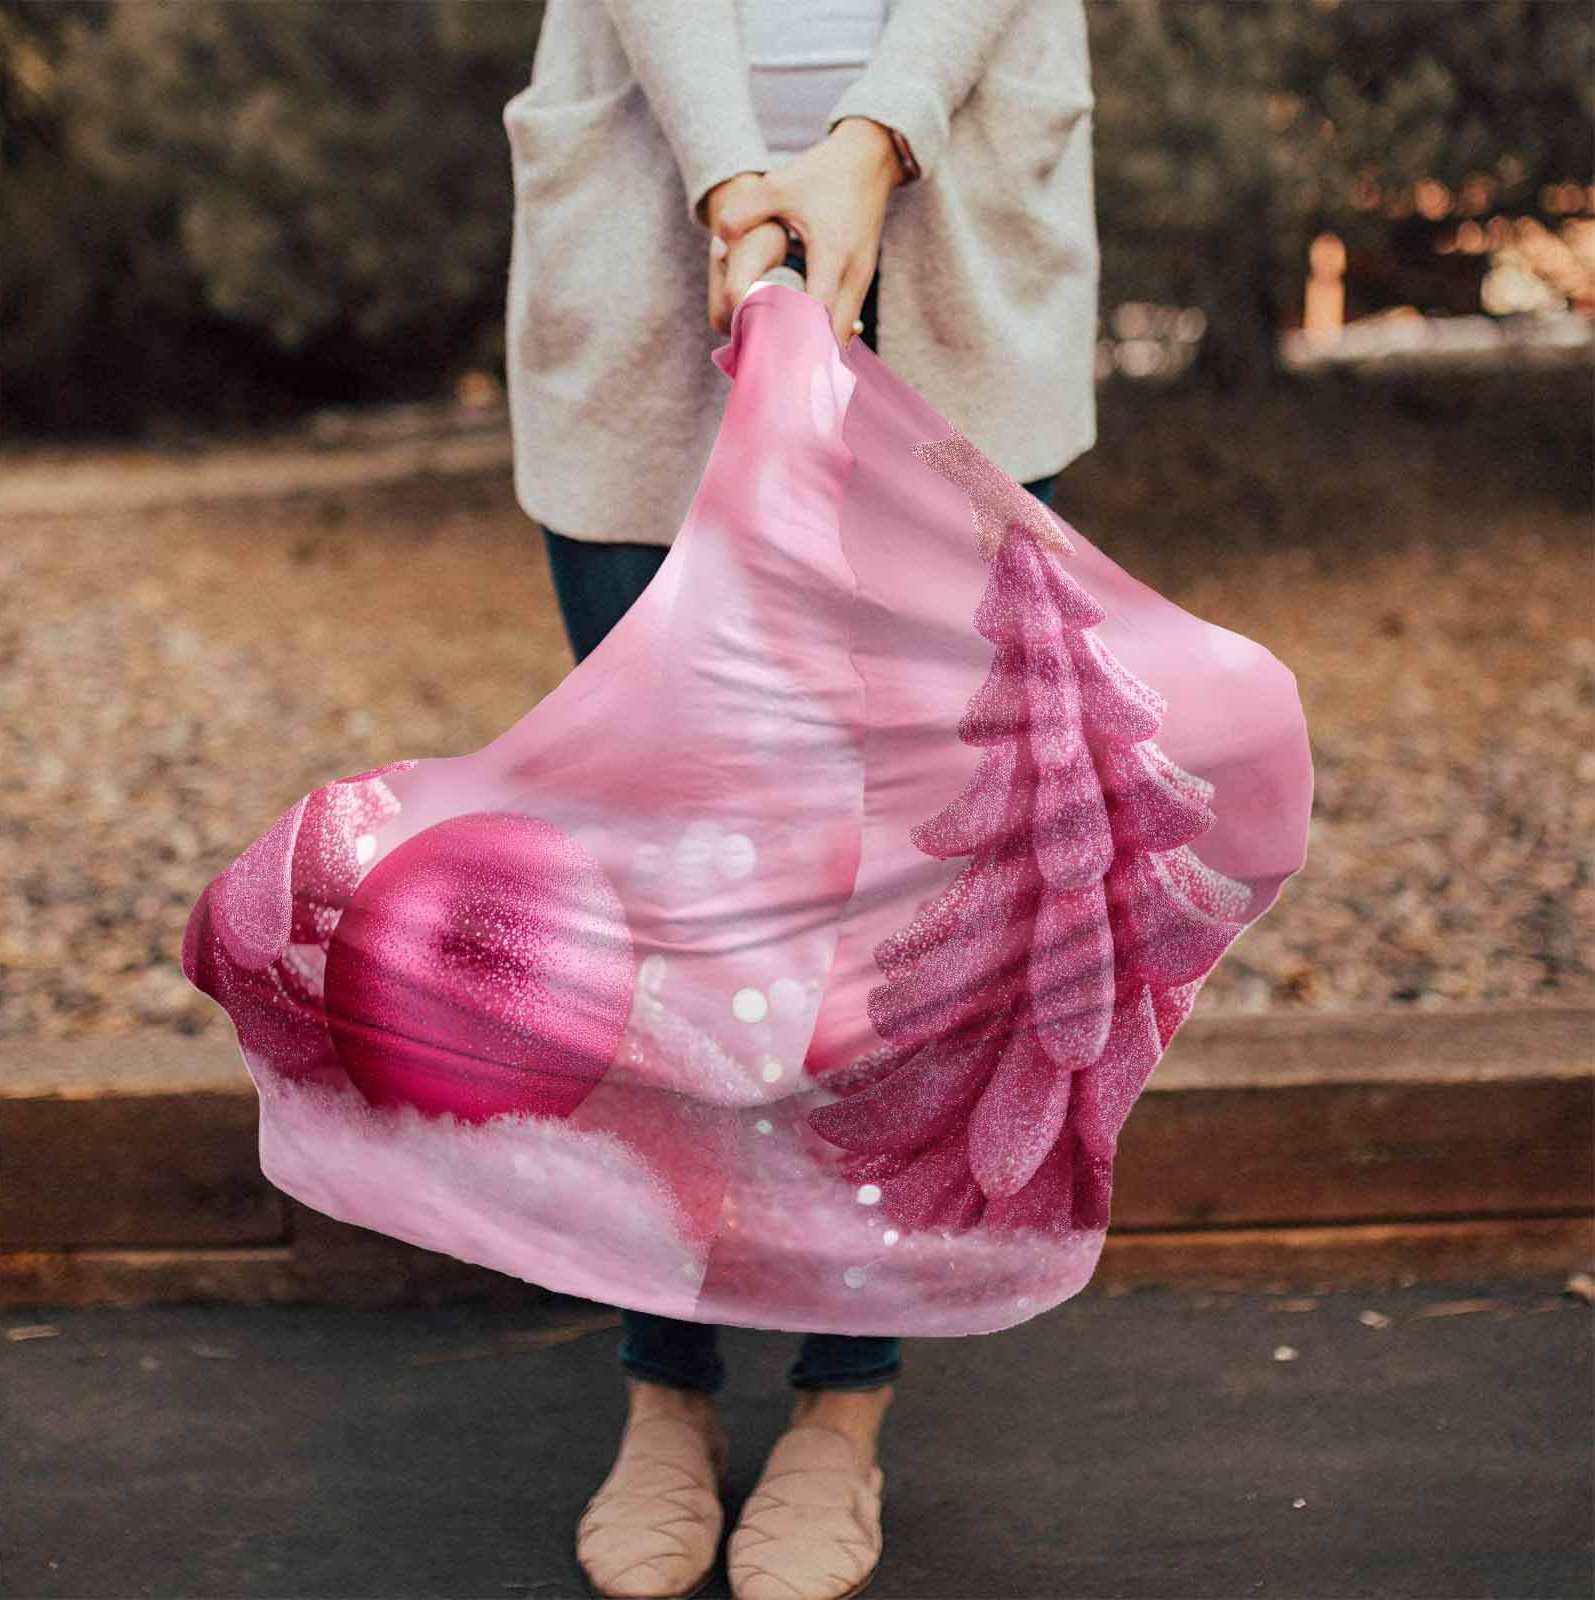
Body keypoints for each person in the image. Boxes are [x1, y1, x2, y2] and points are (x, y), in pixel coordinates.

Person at [501, 4, 1098, 1596]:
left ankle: (844, 1402)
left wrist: (872, 136)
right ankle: (665, 1388)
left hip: (953, 227)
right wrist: (731, 178)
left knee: (909, 894)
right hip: (653, 225)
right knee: (662, 884)